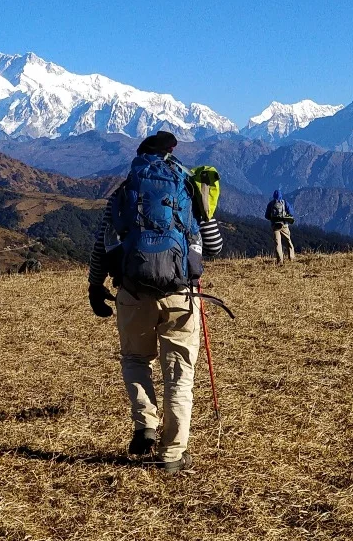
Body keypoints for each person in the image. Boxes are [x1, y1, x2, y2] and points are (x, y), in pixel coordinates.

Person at [87, 131, 224, 475]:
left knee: (135, 359)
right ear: (171, 154)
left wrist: (95, 286)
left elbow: (102, 247)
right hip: (180, 294)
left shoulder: (122, 192)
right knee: (179, 374)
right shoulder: (188, 188)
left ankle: (146, 424)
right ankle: (173, 453)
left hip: (132, 293)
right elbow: (215, 245)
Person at [264, 190, 295, 264]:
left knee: (278, 243)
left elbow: (266, 216)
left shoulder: (271, 204)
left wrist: (273, 219)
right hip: (284, 225)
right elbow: (291, 213)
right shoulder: (284, 203)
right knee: (288, 241)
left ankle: (280, 261)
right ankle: (291, 257)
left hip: (275, 226)